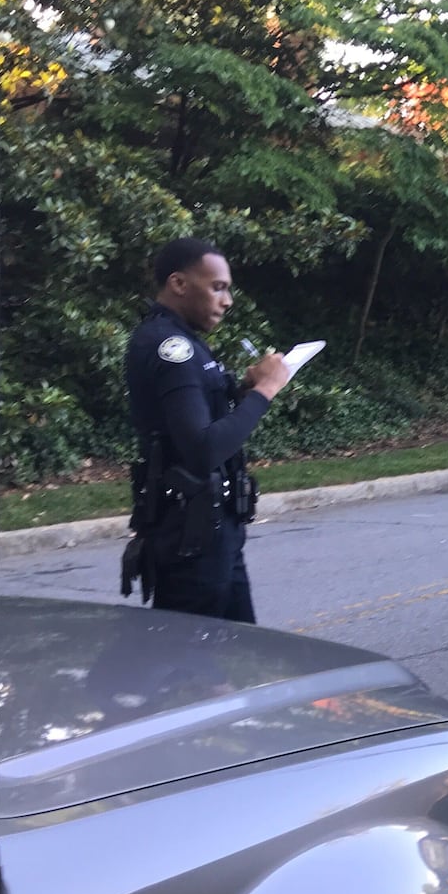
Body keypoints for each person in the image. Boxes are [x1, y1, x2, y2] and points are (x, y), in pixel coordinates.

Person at [122, 238, 291, 623]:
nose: (227, 300)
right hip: (192, 539)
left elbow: (198, 416)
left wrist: (242, 391)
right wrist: (265, 391)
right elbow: (202, 449)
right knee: (190, 672)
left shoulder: (187, 343)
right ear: (179, 283)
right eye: (217, 287)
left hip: (213, 535)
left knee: (232, 660)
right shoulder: (172, 348)